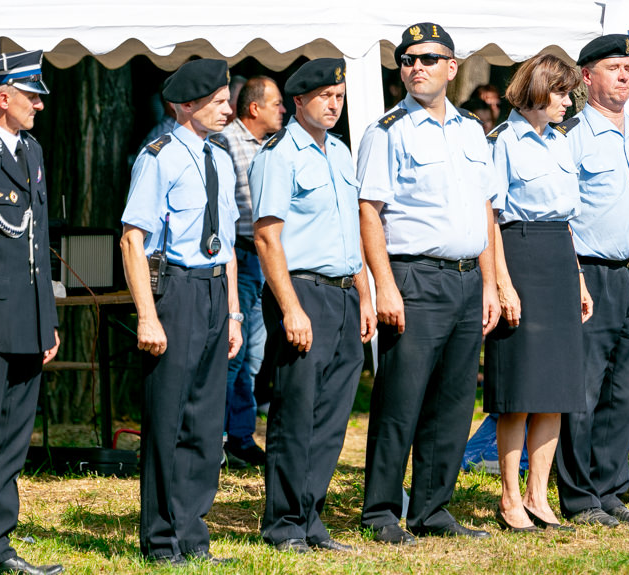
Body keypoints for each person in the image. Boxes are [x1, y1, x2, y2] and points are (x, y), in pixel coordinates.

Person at [358, 22, 500, 545]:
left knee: (453, 401)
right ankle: (380, 512)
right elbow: (369, 213)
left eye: (428, 58)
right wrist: (385, 285)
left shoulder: (470, 131)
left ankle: (432, 509)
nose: (416, 67)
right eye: (408, 59)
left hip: (466, 279)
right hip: (414, 277)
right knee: (402, 399)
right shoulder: (387, 131)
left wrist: (489, 282)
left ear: (452, 67)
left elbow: (483, 210)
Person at [249, 58, 375, 554]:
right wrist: (291, 308)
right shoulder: (279, 154)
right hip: (301, 291)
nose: (334, 105)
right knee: (296, 413)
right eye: (324, 96)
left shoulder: (341, 152)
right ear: (298, 101)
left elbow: (352, 234)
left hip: (344, 292)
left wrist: (364, 293)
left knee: (333, 417)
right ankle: (283, 523)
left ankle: (310, 515)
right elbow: (266, 236)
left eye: (339, 97)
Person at [120, 58, 242, 565]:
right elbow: (133, 239)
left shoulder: (221, 157)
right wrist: (147, 316)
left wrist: (234, 312)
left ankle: (193, 535)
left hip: (215, 293)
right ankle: (162, 540)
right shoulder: (160, 156)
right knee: (169, 419)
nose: (227, 110)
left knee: (205, 421)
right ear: (186, 105)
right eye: (217, 102)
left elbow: (229, 243)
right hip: (177, 291)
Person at [555, 34, 629, 528]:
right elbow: (559, 219)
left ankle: (611, 489)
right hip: (591, 275)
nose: (625, 75)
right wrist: (574, 277)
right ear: (587, 78)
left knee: (625, 391)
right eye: (613, 67)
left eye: (628, 67)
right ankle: (579, 497)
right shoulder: (570, 135)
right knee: (583, 392)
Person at [483, 53, 592, 533]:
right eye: (563, 93)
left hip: (558, 258)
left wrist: (580, 277)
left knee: (556, 389)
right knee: (519, 390)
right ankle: (509, 499)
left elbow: (566, 221)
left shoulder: (561, 144)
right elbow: (490, 216)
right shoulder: (503, 142)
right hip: (519, 254)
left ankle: (538, 496)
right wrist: (502, 282)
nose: (569, 102)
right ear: (538, 91)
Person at [0, 49, 62, 575]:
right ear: (2, 97)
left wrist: (47, 319)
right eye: (32, 96)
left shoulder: (30, 150)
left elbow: (38, 241)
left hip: (27, 318)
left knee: (11, 444)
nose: (40, 106)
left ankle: (0, 545)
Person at [222, 76, 285, 468]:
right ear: (254, 108)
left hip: (268, 260)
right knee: (234, 352)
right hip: (240, 256)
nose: (283, 110)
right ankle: (219, 437)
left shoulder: (274, 146)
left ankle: (241, 437)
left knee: (255, 356)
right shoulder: (226, 142)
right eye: (277, 103)